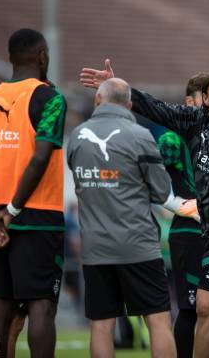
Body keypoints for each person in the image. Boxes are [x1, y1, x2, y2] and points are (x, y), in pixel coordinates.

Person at [80, 61, 209, 358]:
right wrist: (120, 87)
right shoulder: (195, 122)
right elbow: (156, 108)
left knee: (205, 306)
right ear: (206, 99)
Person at [0, 28, 67, 358]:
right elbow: (40, 156)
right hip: (37, 216)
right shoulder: (50, 98)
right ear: (41, 57)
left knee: (1, 305)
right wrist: (13, 209)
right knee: (41, 306)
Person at [67, 78, 186, 358]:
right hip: (139, 245)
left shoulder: (77, 135)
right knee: (158, 321)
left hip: (95, 248)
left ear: (97, 100)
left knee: (101, 326)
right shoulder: (140, 135)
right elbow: (160, 192)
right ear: (130, 105)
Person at [157, 73, 209, 358]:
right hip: (189, 234)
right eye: (204, 99)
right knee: (191, 309)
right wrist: (183, 206)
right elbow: (150, 182)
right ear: (190, 101)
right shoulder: (171, 138)